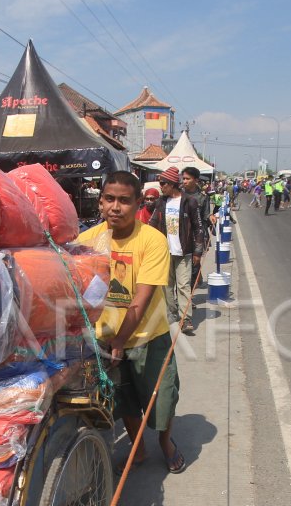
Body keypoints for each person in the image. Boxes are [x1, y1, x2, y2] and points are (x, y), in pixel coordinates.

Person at [77, 171, 186, 474]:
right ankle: (137, 450)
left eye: (124, 201)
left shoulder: (152, 240)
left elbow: (141, 300)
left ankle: (165, 443)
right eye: (109, 199)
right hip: (105, 338)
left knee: (162, 401)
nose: (115, 207)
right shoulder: (86, 241)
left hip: (149, 337)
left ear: (138, 202)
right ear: (100, 202)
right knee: (123, 400)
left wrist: (120, 343)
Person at [148, 166, 205, 336]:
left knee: (183, 286)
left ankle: (185, 318)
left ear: (172, 184)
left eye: (163, 183)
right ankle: (171, 313)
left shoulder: (189, 202)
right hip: (165, 253)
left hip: (184, 252)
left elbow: (198, 228)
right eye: (160, 183)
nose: (161, 186)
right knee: (167, 286)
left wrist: (197, 251)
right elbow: (152, 224)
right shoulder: (161, 202)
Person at [180, 166, 210, 292]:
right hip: (180, 236)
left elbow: (205, 217)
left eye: (187, 179)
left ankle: (188, 297)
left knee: (194, 267)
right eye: (183, 178)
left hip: (196, 237)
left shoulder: (202, 197)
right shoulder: (178, 194)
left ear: (196, 180)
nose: (184, 181)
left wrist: (212, 217)